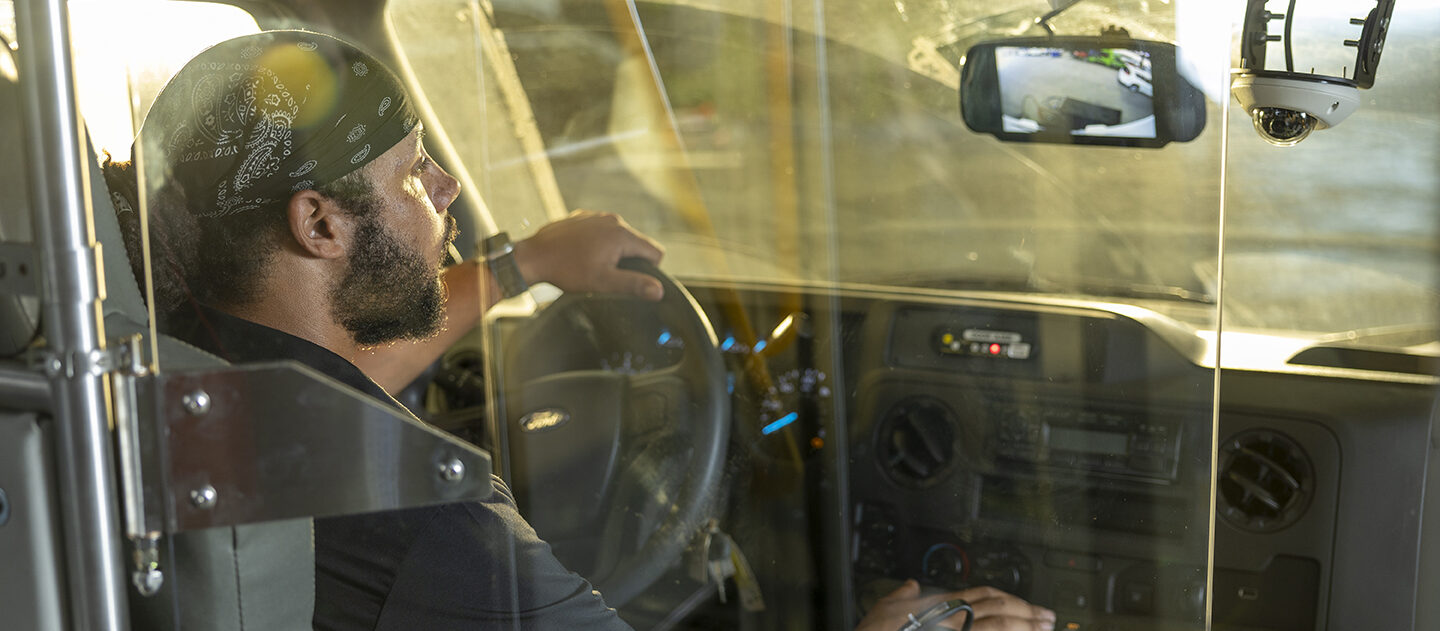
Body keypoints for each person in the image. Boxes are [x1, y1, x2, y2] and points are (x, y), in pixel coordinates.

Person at [105, 30, 1055, 631]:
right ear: (318, 225)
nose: (443, 189)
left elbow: (345, 356)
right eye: (414, 171)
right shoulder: (434, 530)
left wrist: (530, 265)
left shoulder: (194, 366)